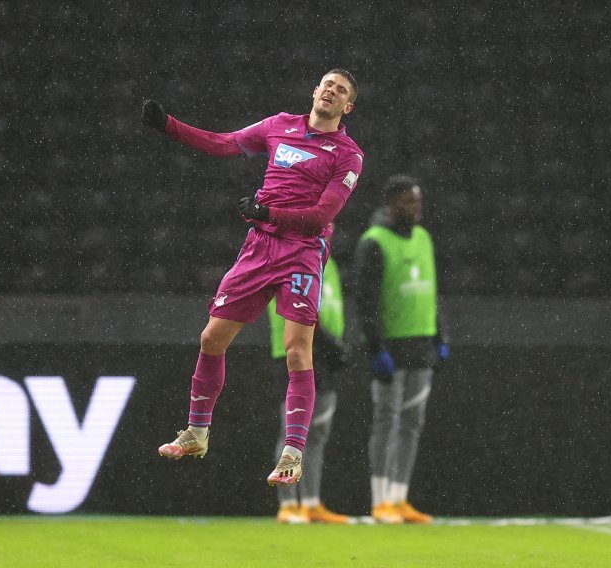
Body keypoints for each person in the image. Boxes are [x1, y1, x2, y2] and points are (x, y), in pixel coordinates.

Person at [142, 69, 364, 486]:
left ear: (346, 107)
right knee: (211, 339)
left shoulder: (348, 155)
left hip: (302, 251)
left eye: (341, 91)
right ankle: (197, 432)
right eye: (327, 84)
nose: (331, 92)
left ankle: (293, 454)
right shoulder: (279, 126)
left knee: (298, 350)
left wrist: (269, 212)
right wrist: (168, 126)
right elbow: (223, 143)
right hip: (260, 246)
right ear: (314, 91)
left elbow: (322, 216)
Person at [353, 174, 448, 524]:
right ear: (392, 204)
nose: (416, 208)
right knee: (386, 419)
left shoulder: (423, 238)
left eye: (419, 201)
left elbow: (431, 288)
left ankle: (399, 497)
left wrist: (441, 334)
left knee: (411, 423)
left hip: (421, 341)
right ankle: (380, 501)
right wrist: (375, 347)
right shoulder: (374, 242)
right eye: (410, 202)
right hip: (391, 346)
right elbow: (365, 301)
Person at [267, 239, 351, 524]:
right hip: (295, 352)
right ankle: (288, 505)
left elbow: (331, 307)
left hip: (324, 355)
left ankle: (311, 503)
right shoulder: (289, 260)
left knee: (317, 433)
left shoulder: (330, 262)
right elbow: (302, 310)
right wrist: (332, 344)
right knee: (291, 430)